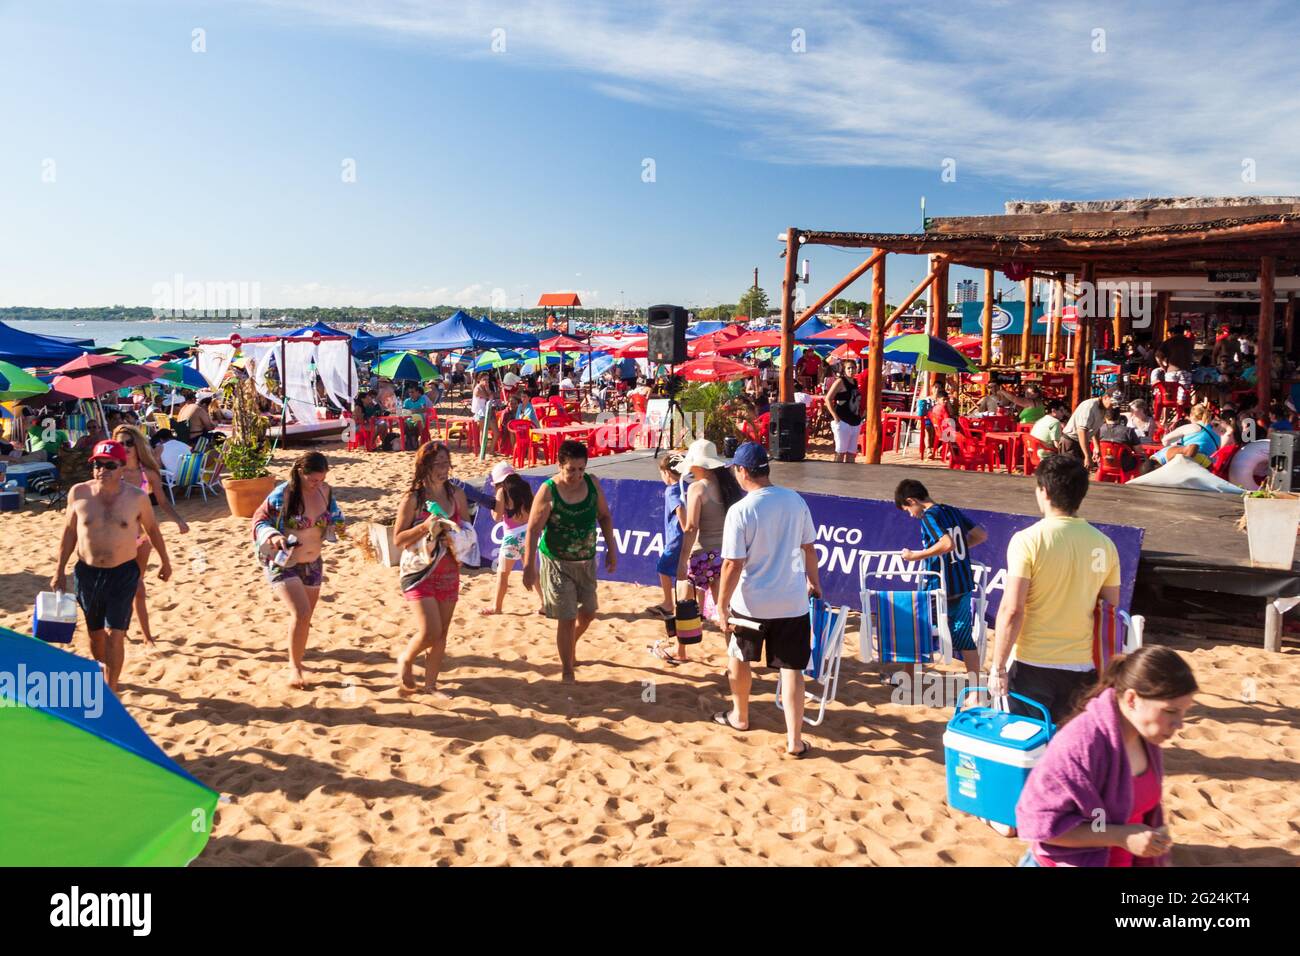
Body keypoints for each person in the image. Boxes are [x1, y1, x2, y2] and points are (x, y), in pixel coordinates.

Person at [1016, 646, 1198, 867]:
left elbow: (1136, 812)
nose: (1179, 724)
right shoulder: (1080, 743)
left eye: (1184, 711)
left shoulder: (1146, 736)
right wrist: (1119, 836)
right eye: (1170, 711)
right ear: (1132, 699)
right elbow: (1041, 826)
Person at [989, 455, 1120, 725]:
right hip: (1083, 667)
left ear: (1044, 491)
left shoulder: (1028, 540)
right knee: (1066, 756)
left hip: (1032, 665)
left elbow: (1012, 609)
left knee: (1026, 753)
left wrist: (998, 666)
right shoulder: (1105, 545)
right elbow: (1109, 609)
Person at [714, 442, 821, 758]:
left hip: (752, 602)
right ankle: (794, 739)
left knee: (739, 657)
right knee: (792, 670)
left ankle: (741, 716)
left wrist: (721, 605)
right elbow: (809, 548)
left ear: (743, 471)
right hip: (791, 600)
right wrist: (814, 582)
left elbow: (733, 563)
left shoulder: (742, 510)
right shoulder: (795, 500)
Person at [50, 440, 172, 692]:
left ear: (121, 467)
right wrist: (58, 570)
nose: (101, 470)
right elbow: (69, 532)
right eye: (97, 464)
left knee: (115, 633)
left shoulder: (137, 498)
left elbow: (152, 530)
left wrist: (165, 561)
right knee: (96, 636)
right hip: (87, 572)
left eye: (108, 465)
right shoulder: (79, 493)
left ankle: (111, 688)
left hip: (123, 572)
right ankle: (104, 669)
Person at [520, 440, 616, 682]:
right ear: (559, 465)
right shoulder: (548, 490)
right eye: (571, 469)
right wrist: (528, 567)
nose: (576, 475)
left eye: (581, 469)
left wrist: (612, 550)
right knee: (567, 616)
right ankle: (567, 669)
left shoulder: (592, 484)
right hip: (556, 561)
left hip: (586, 560)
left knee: (590, 613)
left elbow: (604, 516)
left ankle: (569, 643)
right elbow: (532, 529)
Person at [251, 451, 345, 690]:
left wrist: (342, 530)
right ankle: (294, 667)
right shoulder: (283, 494)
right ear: (301, 473)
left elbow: (336, 518)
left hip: (313, 562)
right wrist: (273, 534)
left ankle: (298, 657)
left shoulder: (325, 491)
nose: (317, 484)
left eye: (321, 479)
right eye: (313, 479)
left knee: (305, 617)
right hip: (284, 561)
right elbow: (259, 519)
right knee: (301, 613)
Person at [391, 442, 468, 697]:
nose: (444, 469)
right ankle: (406, 659)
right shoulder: (413, 498)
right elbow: (399, 539)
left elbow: (466, 527)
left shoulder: (456, 494)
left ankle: (431, 685)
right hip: (418, 570)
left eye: (447, 463)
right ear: (424, 466)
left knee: (442, 632)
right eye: (438, 465)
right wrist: (425, 527)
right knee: (430, 630)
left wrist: (459, 536)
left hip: (448, 569)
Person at [894, 479, 987, 682]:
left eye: (907, 510)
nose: (911, 515)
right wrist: (957, 547)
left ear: (912, 500)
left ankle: (907, 678)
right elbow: (980, 535)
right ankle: (976, 684)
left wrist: (916, 555)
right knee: (963, 636)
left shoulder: (929, 517)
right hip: (963, 583)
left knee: (916, 626)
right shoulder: (951, 510)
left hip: (939, 585)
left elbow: (946, 543)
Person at [112, 424, 188, 647]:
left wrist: (179, 520)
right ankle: (130, 631)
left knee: (137, 586)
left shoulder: (149, 474)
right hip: (115, 537)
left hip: (140, 537)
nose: (124, 447)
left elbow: (163, 502)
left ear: (137, 445)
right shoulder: (113, 471)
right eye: (120, 443)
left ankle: (144, 635)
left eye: (129, 443)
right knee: (127, 588)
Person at [676, 438, 744, 628]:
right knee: (725, 610)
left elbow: (691, 528)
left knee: (684, 603)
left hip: (703, 553)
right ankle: (733, 652)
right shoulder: (728, 486)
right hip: (727, 553)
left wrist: (682, 560)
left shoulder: (697, 488)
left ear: (699, 465)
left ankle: (680, 649)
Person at [481, 464, 541, 617]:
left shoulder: (502, 491)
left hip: (512, 537)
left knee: (503, 574)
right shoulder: (525, 487)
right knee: (533, 571)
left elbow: (496, 517)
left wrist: (492, 504)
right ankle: (545, 603)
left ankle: (497, 607)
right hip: (528, 534)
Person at [648, 454, 688, 662]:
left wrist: (685, 527)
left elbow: (680, 510)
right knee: (684, 579)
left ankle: (667, 603)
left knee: (663, 568)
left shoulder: (671, 490)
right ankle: (671, 604)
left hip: (677, 538)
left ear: (666, 473)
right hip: (683, 539)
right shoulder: (687, 487)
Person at [1145, 402, 1221, 471]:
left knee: (1153, 461)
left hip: (1192, 457)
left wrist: (1170, 446)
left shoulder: (1193, 426)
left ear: (1191, 416)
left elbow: (1165, 440)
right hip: (1207, 464)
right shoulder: (1217, 433)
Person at [1060, 389, 1123, 469]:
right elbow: (1081, 431)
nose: (1114, 407)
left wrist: (1097, 447)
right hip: (1071, 442)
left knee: (1082, 473)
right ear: (1105, 397)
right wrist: (1087, 456)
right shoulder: (1089, 406)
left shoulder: (1104, 409)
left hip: (1080, 442)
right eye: (1113, 403)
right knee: (1071, 473)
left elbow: (1095, 429)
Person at [823, 359, 863, 463]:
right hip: (843, 420)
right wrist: (835, 417)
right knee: (840, 452)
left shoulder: (855, 381)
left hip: (855, 420)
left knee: (851, 453)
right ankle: (838, 476)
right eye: (848, 368)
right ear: (844, 370)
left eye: (853, 368)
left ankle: (849, 476)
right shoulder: (840, 381)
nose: (851, 370)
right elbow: (828, 398)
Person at [1099, 406, 1142, 472]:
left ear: (1105, 417)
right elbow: (1139, 451)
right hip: (1124, 465)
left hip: (1102, 463)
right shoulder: (1128, 431)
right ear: (1119, 417)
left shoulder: (1099, 430)